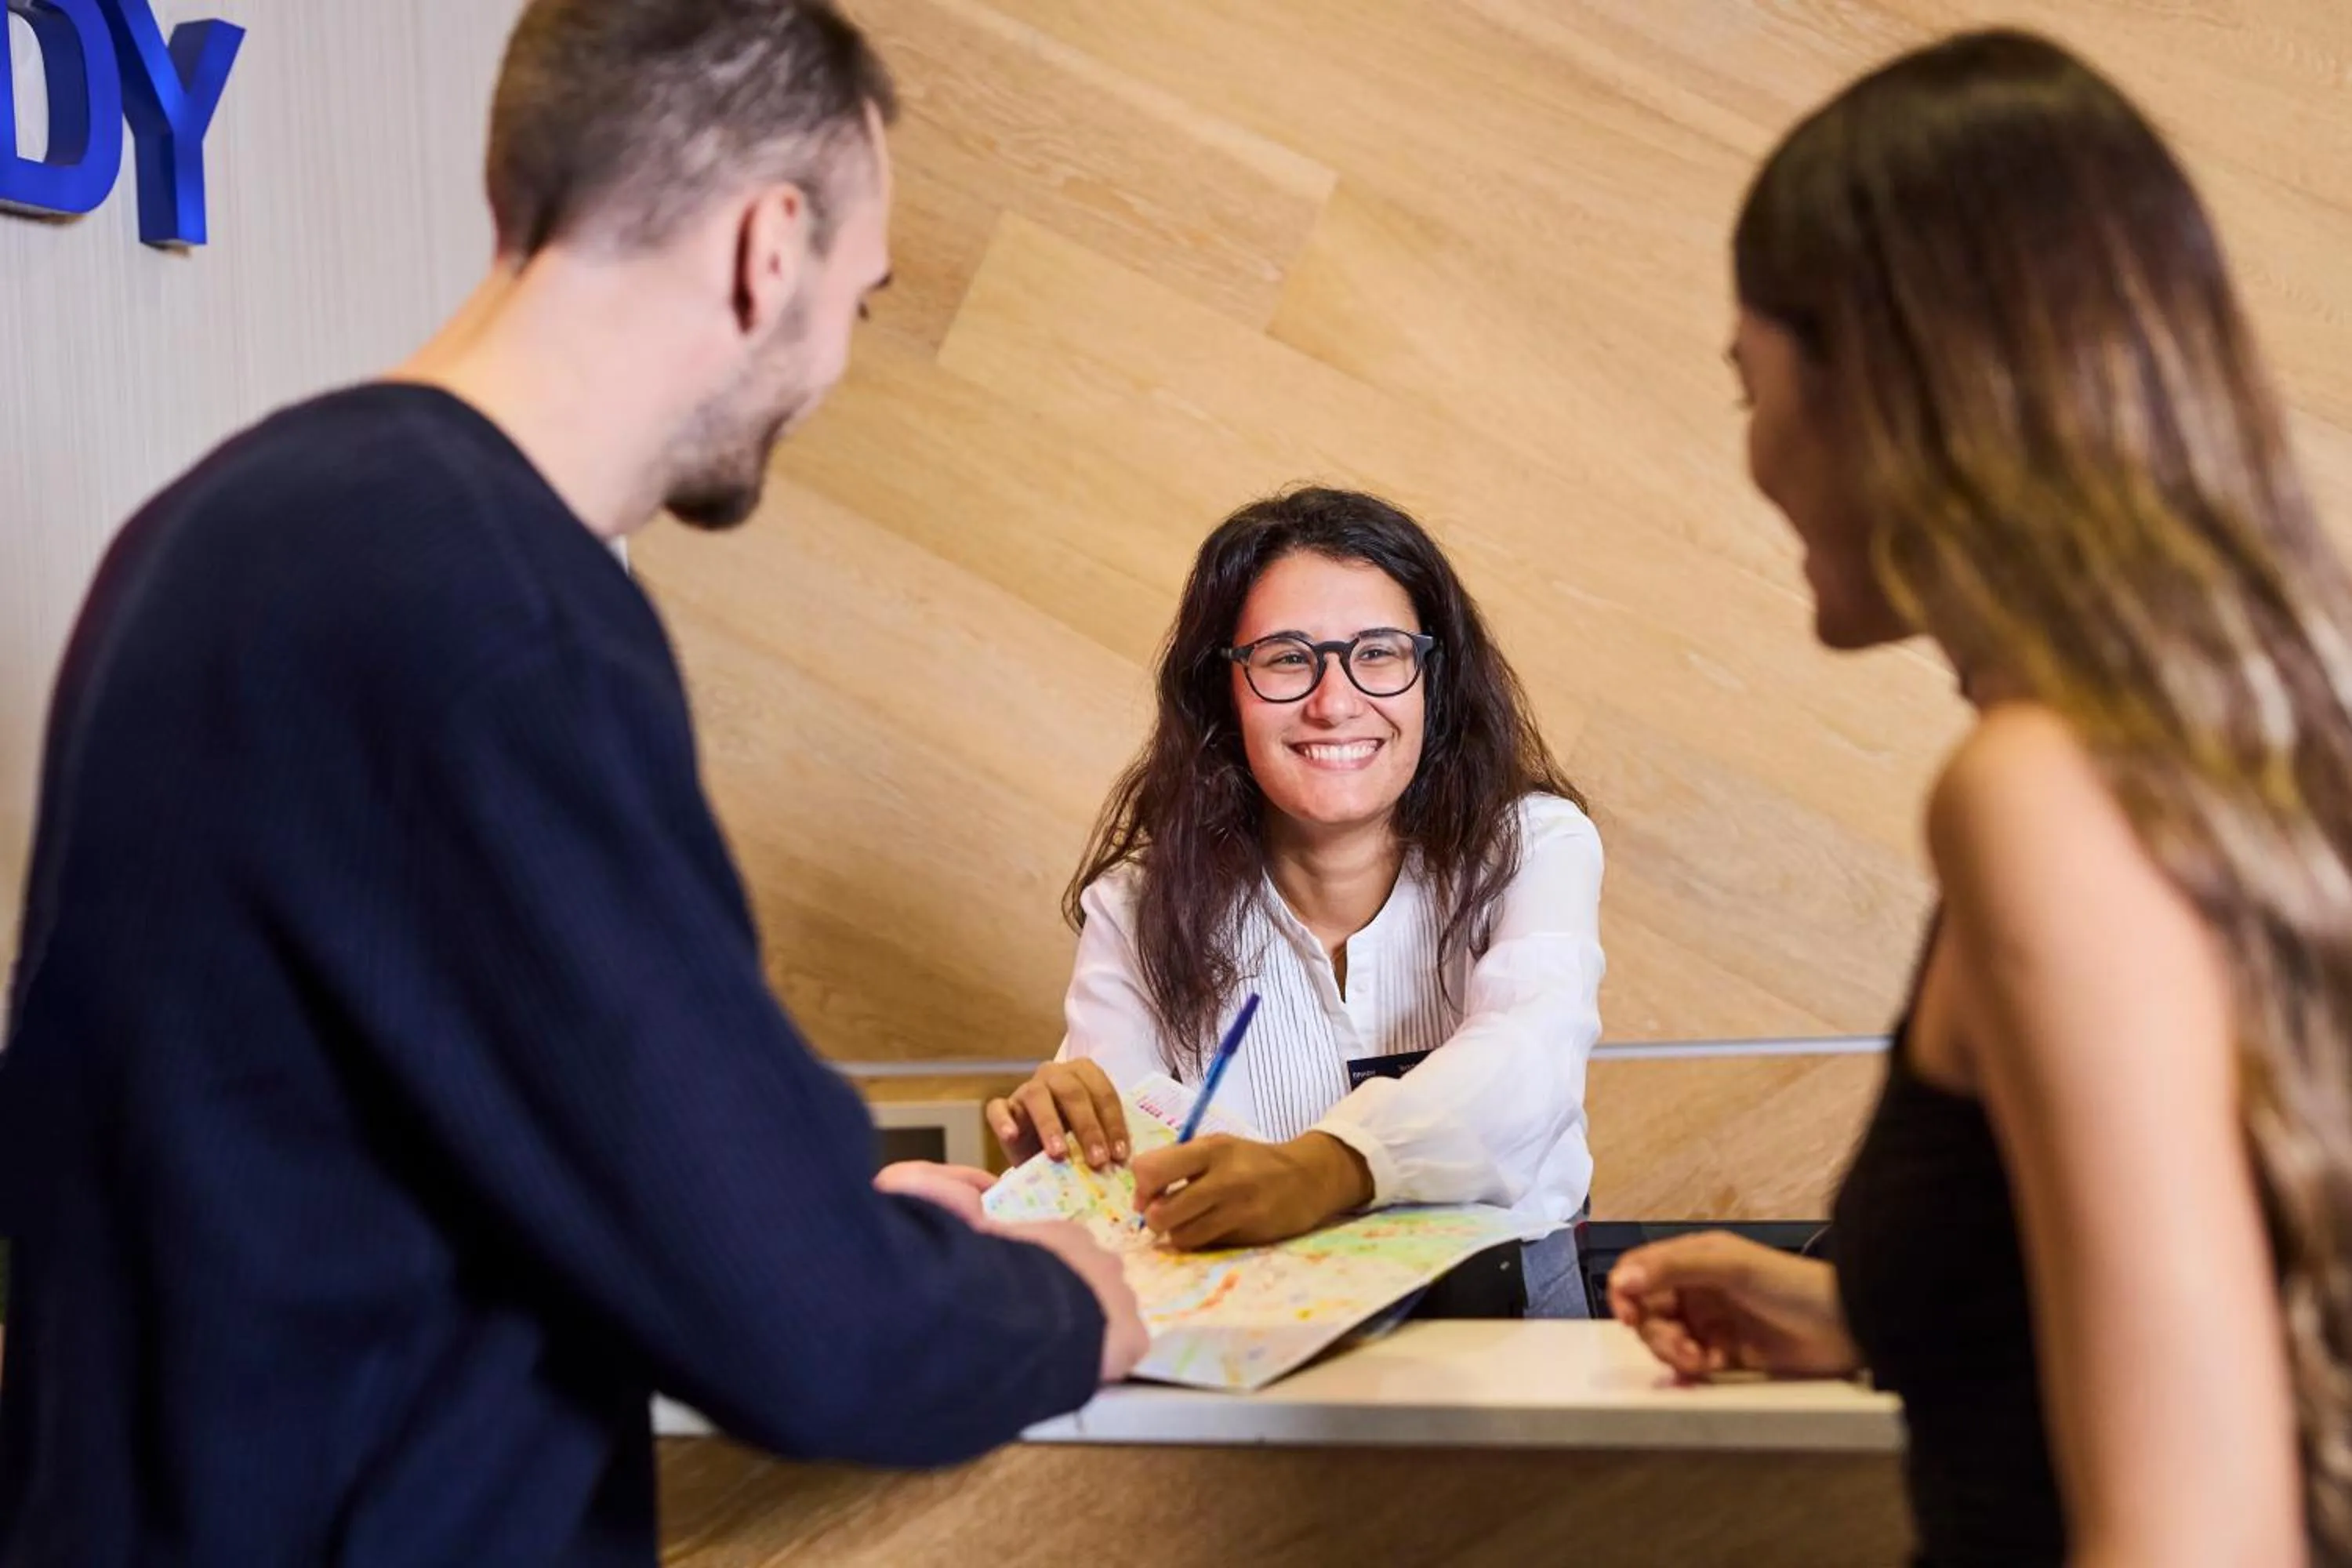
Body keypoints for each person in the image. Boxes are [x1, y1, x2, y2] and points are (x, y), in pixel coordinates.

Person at [0, 4, 1145, 1565]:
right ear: (769, 246)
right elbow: (818, 1336)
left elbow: (412, 1136)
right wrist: (1058, 1304)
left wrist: (840, 1223)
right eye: (860, 302)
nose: (829, 368)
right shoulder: (493, 612)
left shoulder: (217, 525)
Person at [1609, 30, 2352, 1568]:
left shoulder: (2037, 790)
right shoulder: (2234, 748)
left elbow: (2198, 1536)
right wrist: (1872, 1310)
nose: (1755, 453)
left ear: (1885, 382)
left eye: (1752, 382)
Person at [987, 488, 1605, 1317]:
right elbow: (1133, 1174)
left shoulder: (1531, 843)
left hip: (1513, 1311)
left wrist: (1322, 1169)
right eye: (1285, 658)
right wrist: (1073, 1160)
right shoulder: (1136, 904)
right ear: (1224, 690)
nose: (1335, 701)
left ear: (1434, 677)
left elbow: (1529, 1058)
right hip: (1251, 1314)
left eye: (1378, 652)